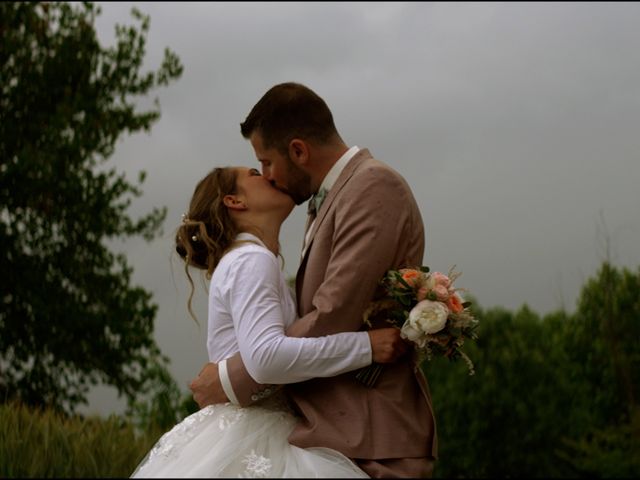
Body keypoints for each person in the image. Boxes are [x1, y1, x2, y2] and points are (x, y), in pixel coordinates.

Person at [189, 82, 438, 478]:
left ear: (299, 151)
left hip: (373, 432)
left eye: (265, 163)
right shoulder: (323, 204)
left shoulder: (373, 186)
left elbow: (332, 316)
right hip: (339, 429)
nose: (268, 177)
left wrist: (234, 377)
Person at [130, 166, 409, 478]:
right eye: (254, 173)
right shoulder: (252, 260)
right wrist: (366, 347)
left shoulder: (248, 259)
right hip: (257, 436)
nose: (269, 175)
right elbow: (266, 358)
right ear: (234, 201)